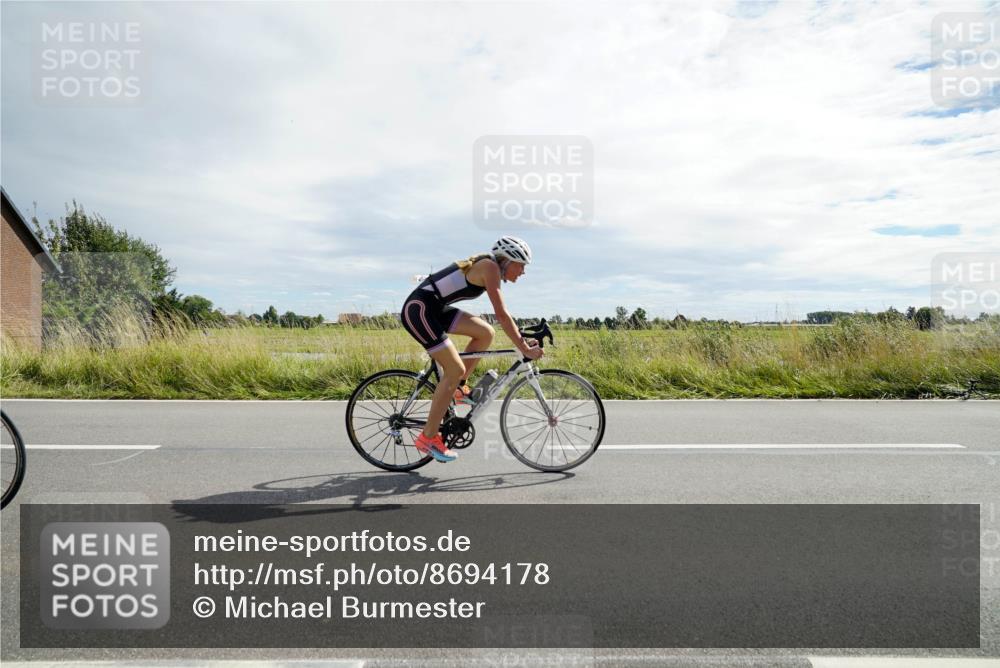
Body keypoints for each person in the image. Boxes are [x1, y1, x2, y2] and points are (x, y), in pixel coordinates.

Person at [400, 236, 543, 462]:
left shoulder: (490, 266)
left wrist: (521, 338)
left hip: (435, 309)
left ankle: (458, 389)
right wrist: (523, 347)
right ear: (508, 261)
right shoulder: (490, 267)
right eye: (521, 265)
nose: (523, 271)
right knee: (454, 369)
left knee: (486, 333)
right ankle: (428, 437)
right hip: (419, 310)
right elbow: (501, 314)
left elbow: (501, 318)